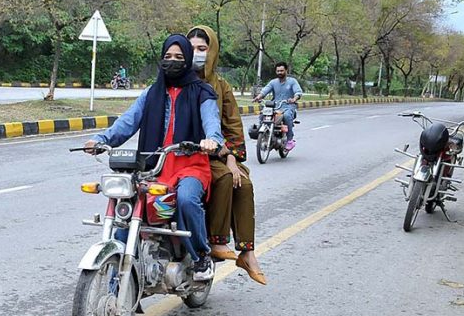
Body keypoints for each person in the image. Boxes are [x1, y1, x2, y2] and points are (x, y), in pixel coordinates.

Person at [85, 34, 224, 281]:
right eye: (168, 57)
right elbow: (128, 121)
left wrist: (211, 139)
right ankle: (120, 281)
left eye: (179, 57)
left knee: (186, 200)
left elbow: (211, 120)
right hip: (153, 168)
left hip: (189, 165)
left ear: (188, 59)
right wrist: (101, 140)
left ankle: (201, 255)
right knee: (125, 210)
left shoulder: (202, 91)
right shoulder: (152, 93)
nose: (172, 61)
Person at [188, 26, 266, 286]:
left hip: (216, 151)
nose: (197, 54)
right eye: (192, 49)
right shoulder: (178, 79)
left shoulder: (221, 86)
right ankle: (216, 241)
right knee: (223, 179)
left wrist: (231, 157)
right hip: (185, 153)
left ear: (212, 51)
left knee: (242, 182)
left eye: (202, 49)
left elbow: (232, 127)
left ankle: (247, 252)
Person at [253, 62, 303, 151]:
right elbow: (265, 91)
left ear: (286, 71)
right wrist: (258, 97)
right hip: (275, 106)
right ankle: (264, 136)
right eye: (278, 71)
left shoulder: (292, 81)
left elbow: (298, 92)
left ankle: (289, 140)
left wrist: (294, 99)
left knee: (287, 116)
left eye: (282, 71)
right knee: (262, 115)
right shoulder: (273, 82)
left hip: (288, 106)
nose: (280, 72)